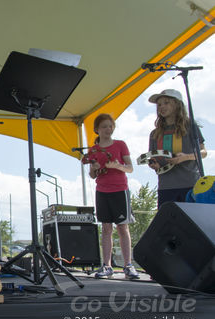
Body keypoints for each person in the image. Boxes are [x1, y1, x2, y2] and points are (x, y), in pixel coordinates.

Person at [86, 113, 139, 279]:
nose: (108, 129)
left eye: (110, 126)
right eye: (104, 127)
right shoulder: (93, 149)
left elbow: (130, 168)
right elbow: (92, 175)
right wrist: (94, 167)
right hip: (102, 190)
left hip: (120, 190)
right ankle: (107, 266)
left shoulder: (120, 144)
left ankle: (128, 265)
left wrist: (117, 165)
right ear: (97, 130)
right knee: (106, 228)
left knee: (123, 227)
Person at [148, 89, 207, 208]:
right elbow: (153, 158)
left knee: (190, 224)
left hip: (190, 185)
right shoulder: (154, 133)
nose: (162, 107)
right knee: (168, 224)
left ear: (177, 104)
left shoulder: (190, 126)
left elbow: (204, 152)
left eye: (166, 102)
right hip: (166, 187)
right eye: (159, 104)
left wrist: (185, 157)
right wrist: (154, 165)